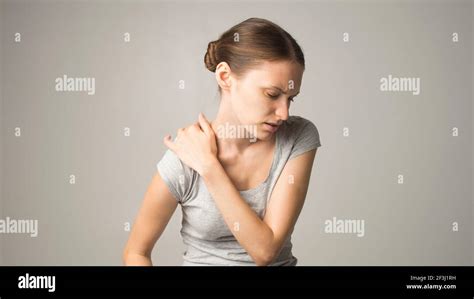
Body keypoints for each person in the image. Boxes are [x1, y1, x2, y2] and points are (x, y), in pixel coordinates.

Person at [123, 17, 321, 266]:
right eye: (272, 94)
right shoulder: (183, 159)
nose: (284, 113)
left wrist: (209, 168)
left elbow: (265, 251)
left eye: (291, 98)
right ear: (226, 76)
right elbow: (136, 252)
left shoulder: (297, 136)